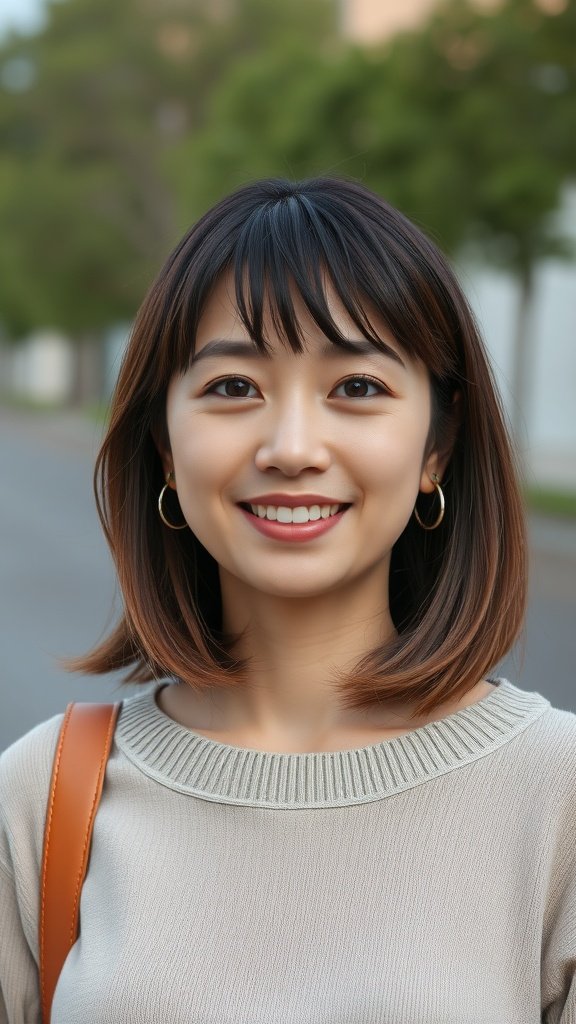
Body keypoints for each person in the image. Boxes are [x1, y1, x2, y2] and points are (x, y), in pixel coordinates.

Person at [0, 176, 574, 1023]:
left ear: (438, 446)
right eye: (233, 387)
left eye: (357, 388)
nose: (292, 447)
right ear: (164, 442)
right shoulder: (41, 799)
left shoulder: (557, 797)